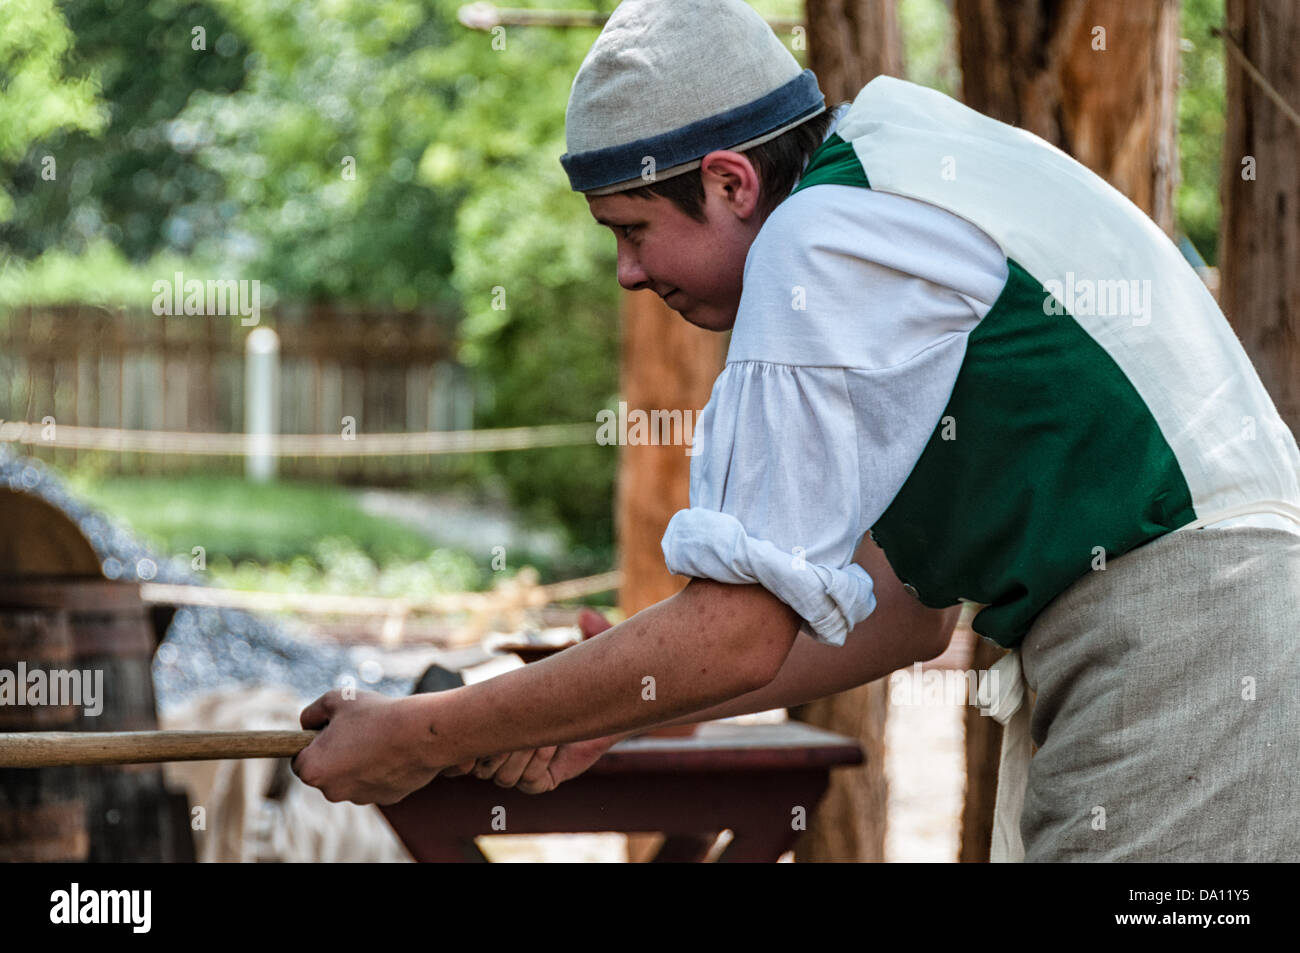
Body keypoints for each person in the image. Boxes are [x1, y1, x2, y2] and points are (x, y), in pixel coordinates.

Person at [293, 0, 1300, 861]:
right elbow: (904, 608)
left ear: (732, 181)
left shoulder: (822, 237)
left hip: (1190, 640)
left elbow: (733, 634)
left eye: (633, 229)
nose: (628, 274)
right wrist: (607, 703)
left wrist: (417, 733)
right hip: (1213, 626)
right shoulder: (896, 189)